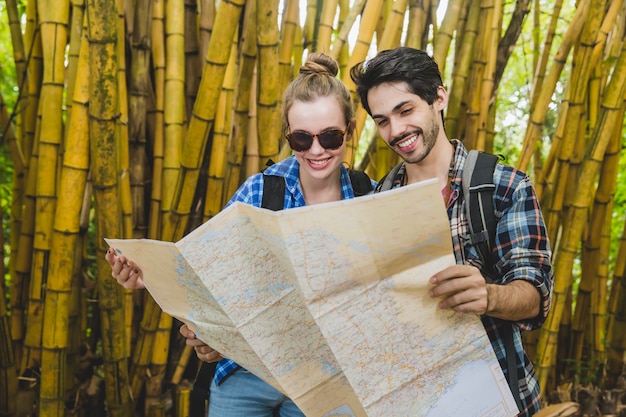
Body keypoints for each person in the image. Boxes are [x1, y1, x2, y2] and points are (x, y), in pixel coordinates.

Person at [105, 52, 376, 417]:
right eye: (300, 138)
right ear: (287, 135)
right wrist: (146, 277)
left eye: (330, 136)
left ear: (351, 129)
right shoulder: (259, 192)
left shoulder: (370, 198)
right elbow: (205, 274)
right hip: (246, 372)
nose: (316, 150)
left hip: (328, 379)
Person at [350, 46, 554, 417]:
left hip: (497, 398)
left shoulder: (503, 186)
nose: (395, 131)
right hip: (412, 400)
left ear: (438, 98)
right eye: (382, 121)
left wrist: (489, 296)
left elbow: (535, 297)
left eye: (405, 110)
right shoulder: (376, 200)